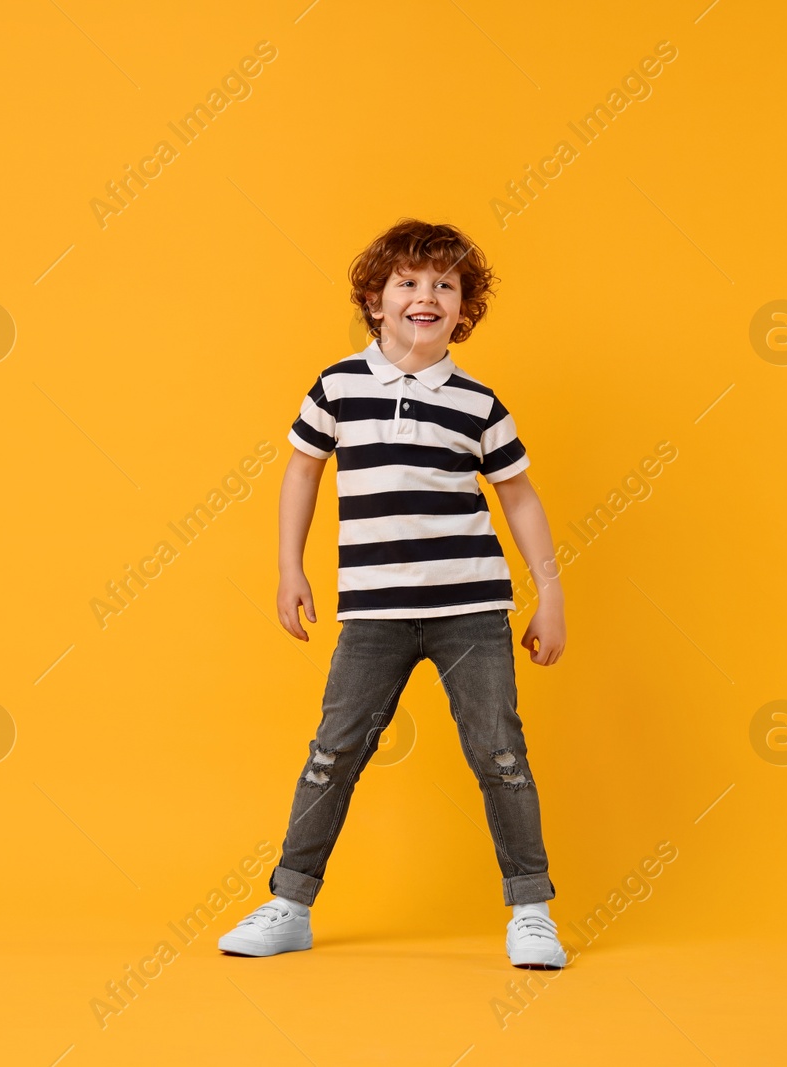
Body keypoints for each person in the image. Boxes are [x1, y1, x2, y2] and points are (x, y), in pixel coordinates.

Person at [218, 218, 569, 969]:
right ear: (374, 302)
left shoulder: (477, 403)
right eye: (407, 282)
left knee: (499, 750)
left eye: (445, 284)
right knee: (334, 750)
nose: (426, 295)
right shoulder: (338, 386)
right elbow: (303, 471)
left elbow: (520, 498)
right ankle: (290, 901)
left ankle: (531, 908)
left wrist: (551, 593)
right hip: (372, 611)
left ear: (464, 309)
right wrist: (290, 565)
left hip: (470, 608)